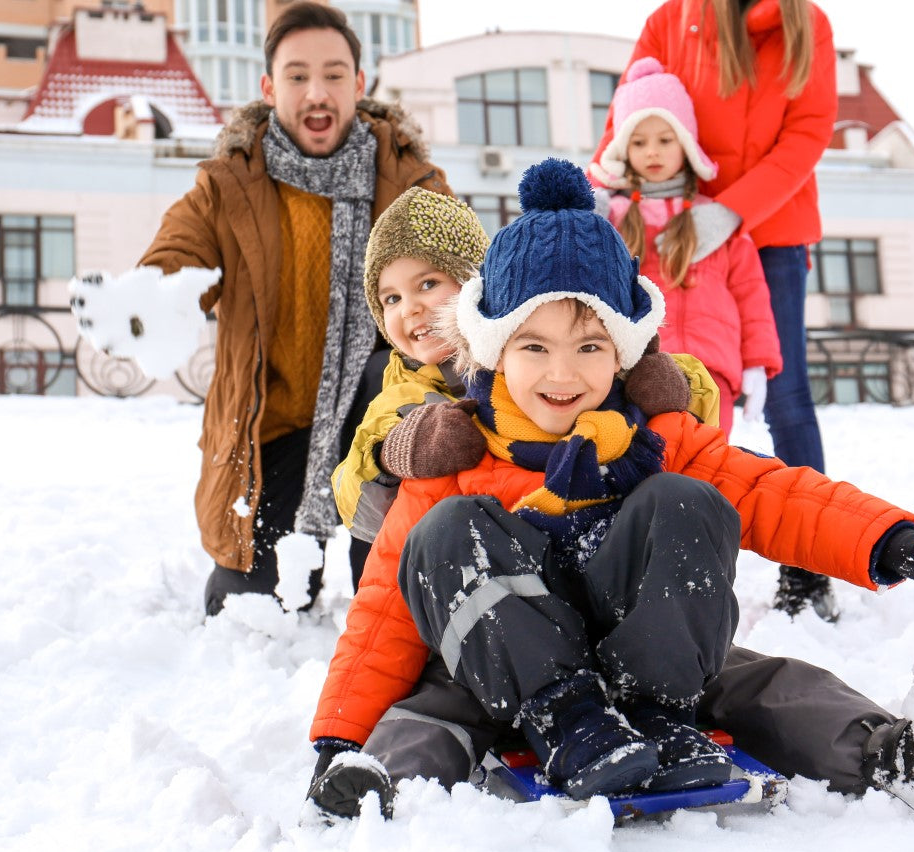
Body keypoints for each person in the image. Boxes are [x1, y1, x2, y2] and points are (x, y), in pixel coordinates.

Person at [304, 160, 914, 818]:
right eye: (534, 347)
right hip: (514, 672)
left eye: (588, 346)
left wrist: (898, 543)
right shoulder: (461, 448)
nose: (562, 373)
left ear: (621, 351)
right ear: (493, 349)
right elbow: (384, 611)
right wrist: (339, 739)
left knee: (749, 654)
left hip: (650, 672)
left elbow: (776, 493)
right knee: (442, 637)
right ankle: (379, 780)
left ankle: (899, 754)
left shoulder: (653, 432)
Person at [130, 2, 452, 615]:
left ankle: (386, 572)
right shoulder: (229, 182)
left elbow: (465, 275)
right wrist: (150, 300)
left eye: (333, 74)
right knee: (248, 612)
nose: (316, 92)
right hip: (272, 431)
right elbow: (178, 253)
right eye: (298, 76)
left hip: (383, 427)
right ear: (269, 87)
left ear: (359, 85)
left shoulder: (409, 179)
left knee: (392, 607)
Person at [590, 0, 841, 621]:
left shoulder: (804, 24)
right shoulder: (672, 19)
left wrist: (730, 210)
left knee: (784, 397)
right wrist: (604, 193)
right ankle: (632, 556)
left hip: (766, 227)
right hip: (662, 224)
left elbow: (808, 132)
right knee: (642, 394)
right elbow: (632, 107)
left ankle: (808, 568)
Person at [332, 186, 720, 586]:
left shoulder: (543, 359)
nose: (409, 307)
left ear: (474, 288)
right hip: (463, 579)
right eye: (390, 298)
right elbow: (358, 511)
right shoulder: (400, 400)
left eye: (428, 284)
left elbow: (698, 435)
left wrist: (672, 387)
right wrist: (390, 456)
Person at [595, 57, 781, 435]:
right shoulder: (611, 215)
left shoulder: (716, 219)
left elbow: (750, 292)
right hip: (638, 370)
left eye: (666, 140)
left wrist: (756, 362)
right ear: (623, 148)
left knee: (708, 469)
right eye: (639, 141)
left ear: (686, 145)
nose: (652, 152)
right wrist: (588, 208)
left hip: (712, 372)